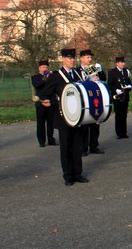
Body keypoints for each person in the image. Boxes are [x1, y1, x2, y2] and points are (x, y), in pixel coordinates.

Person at [45, 48, 89, 186]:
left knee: (77, 146)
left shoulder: (77, 73)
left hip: (77, 116)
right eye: (69, 58)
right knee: (66, 147)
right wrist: (56, 102)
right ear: (63, 59)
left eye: (73, 58)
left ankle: (78, 173)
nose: (72, 60)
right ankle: (68, 175)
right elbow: (46, 93)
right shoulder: (56, 76)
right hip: (64, 116)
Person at [76, 49, 106, 156]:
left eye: (90, 57)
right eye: (87, 57)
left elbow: (103, 79)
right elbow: (77, 83)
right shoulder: (77, 70)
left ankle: (94, 145)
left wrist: (100, 72)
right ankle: (83, 148)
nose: (90, 59)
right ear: (82, 58)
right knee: (84, 125)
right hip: (84, 99)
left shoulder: (92, 69)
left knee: (95, 122)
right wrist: (89, 81)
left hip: (94, 98)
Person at [31, 60, 57, 147]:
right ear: (39, 68)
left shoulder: (51, 76)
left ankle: (51, 139)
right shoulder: (35, 77)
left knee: (51, 122)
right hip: (40, 102)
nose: (45, 69)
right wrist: (45, 78)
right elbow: (37, 85)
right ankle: (41, 141)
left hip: (50, 101)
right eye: (43, 67)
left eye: (46, 67)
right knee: (41, 123)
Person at [107, 56, 132, 139]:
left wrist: (129, 86)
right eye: (121, 62)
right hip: (117, 96)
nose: (123, 64)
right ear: (117, 63)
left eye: (123, 62)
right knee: (118, 114)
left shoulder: (125, 71)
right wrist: (116, 90)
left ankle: (124, 132)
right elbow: (110, 84)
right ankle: (119, 132)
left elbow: (129, 82)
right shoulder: (112, 72)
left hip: (125, 96)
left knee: (124, 114)